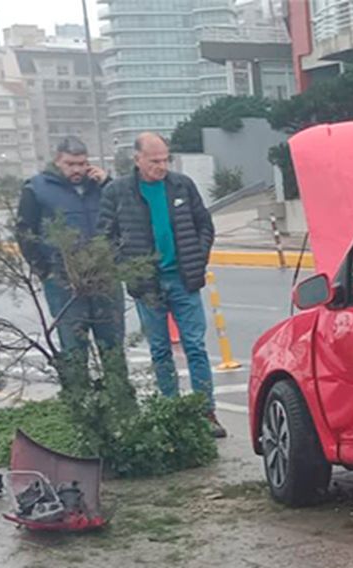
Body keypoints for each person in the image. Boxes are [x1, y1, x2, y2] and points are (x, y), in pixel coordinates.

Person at [96, 132, 225, 437]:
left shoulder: (182, 185)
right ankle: (171, 411)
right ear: (137, 159)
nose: (161, 166)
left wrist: (197, 257)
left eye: (165, 159)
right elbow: (104, 237)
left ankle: (205, 411)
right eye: (154, 160)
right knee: (159, 350)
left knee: (195, 346)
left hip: (184, 280)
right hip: (148, 285)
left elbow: (204, 224)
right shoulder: (117, 192)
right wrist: (127, 267)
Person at [14, 136, 130, 397]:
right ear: (58, 161)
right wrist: (44, 271)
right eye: (70, 164)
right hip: (64, 282)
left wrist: (108, 184)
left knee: (112, 343)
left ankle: (121, 400)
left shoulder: (100, 187)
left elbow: (126, 218)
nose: (77, 170)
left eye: (81, 163)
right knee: (74, 345)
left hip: (104, 278)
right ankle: (80, 402)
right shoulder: (37, 188)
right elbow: (24, 232)